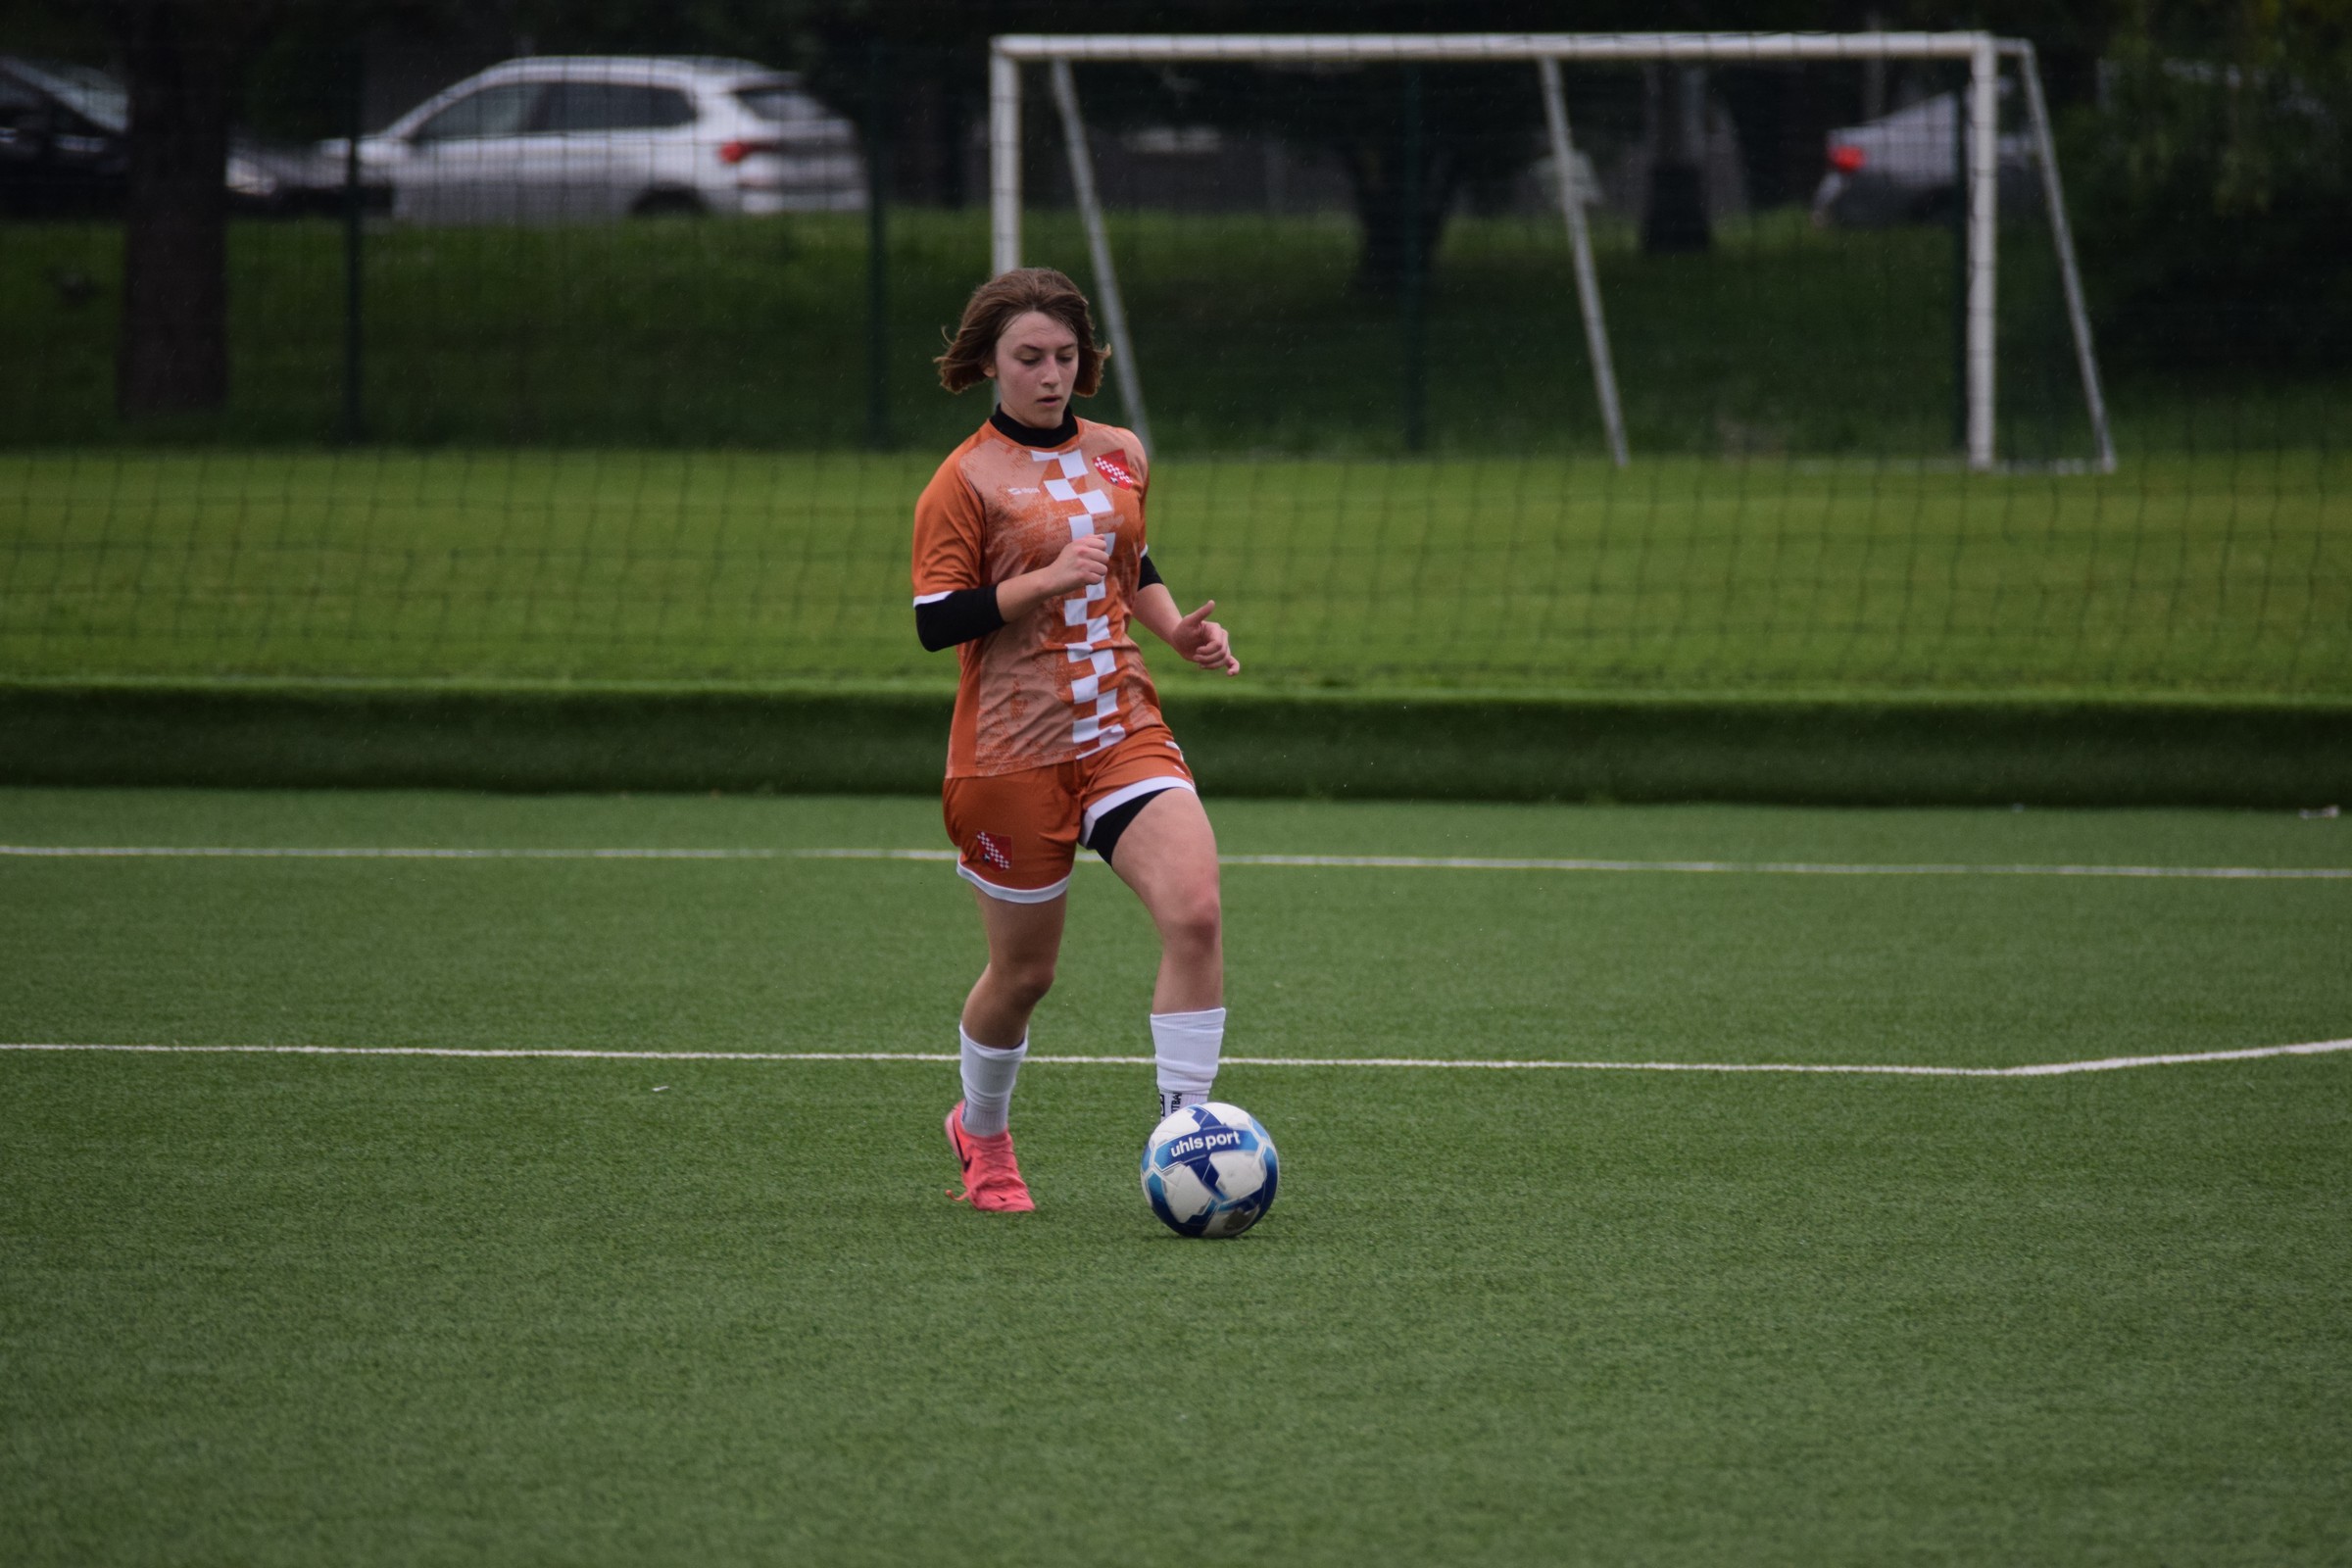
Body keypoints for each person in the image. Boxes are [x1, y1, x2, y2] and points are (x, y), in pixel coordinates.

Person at [911, 267, 1239, 1213]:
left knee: (1195, 913)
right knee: (1025, 975)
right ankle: (981, 1133)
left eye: (1065, 355)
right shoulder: (963, 480)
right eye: (1029, 357)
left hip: (1120, 725)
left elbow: (1131, 557)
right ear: (988, 363)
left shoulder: (1120, 452)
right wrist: (1045, 580)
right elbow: (937, 619)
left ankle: (1186, 1138)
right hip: (1010, 752)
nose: (1051, 374)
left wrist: (1176, 631)